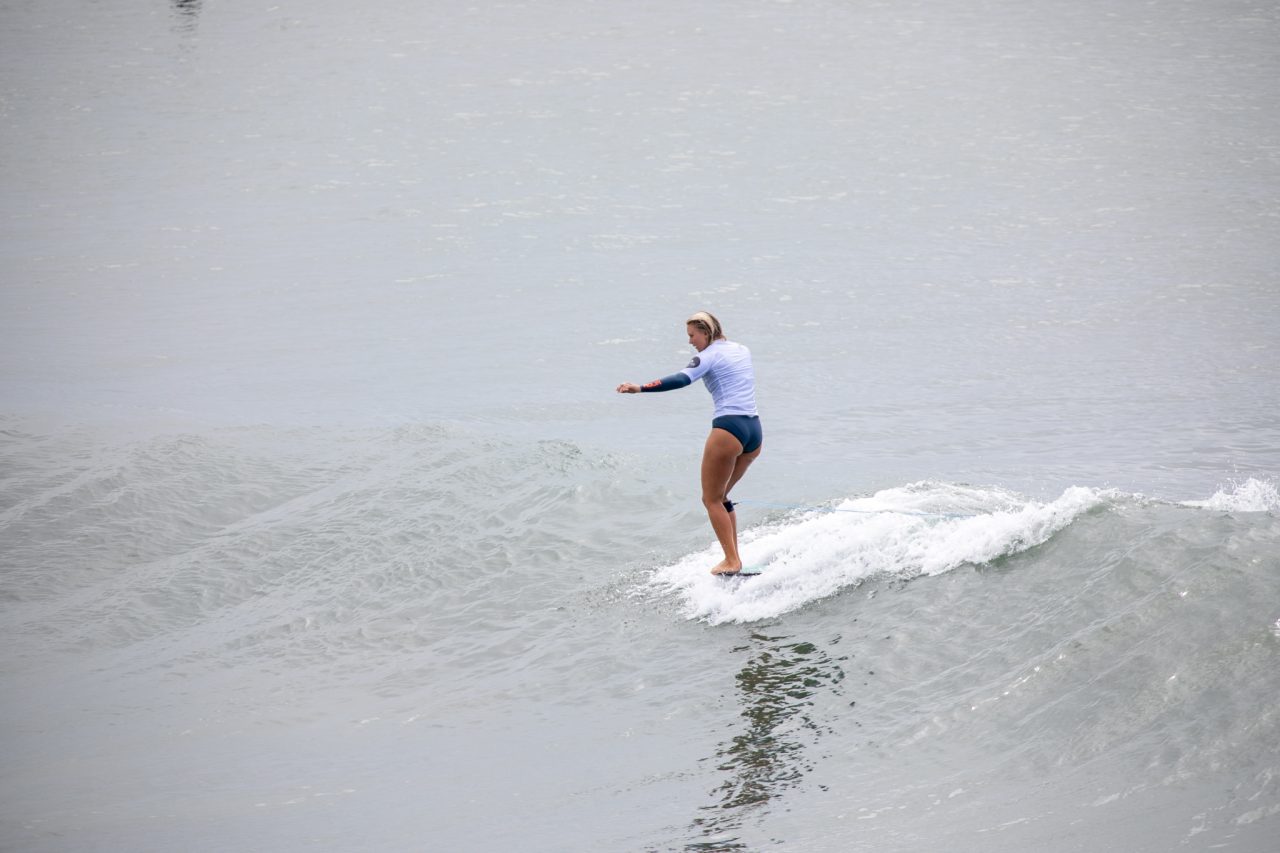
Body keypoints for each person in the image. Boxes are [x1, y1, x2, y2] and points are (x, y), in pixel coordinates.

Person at [617, 312, 763, 575]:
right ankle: (735, 560)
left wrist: (641, 388)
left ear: (705, 332)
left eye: (692, 335)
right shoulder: (741, 349)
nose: (690, 342)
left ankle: (731, 561)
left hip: (728, 430)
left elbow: (682, 378)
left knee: (711, 499)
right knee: (722, 497)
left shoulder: (708, 356)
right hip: (754, 430)